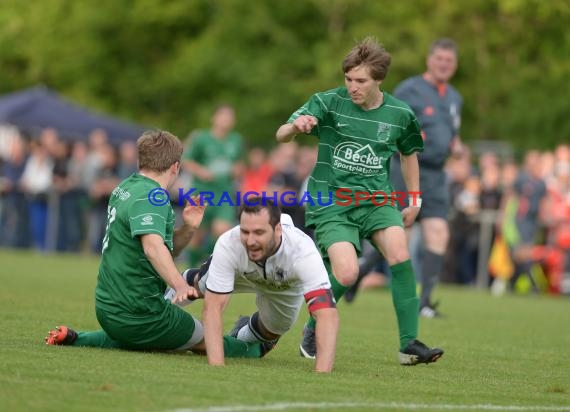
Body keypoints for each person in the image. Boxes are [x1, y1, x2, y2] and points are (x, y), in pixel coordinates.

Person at [275, 37, 443, 365]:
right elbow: (281, 133)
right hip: (331, 201)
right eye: (349, 79)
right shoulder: (328, 102)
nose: (353, 87)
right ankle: (313, 325)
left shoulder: (399, 113)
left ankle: (409, 344)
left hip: (377, 201)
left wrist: (415, 199)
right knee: (348, 272)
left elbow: (409, 155)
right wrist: (295, 127)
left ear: (379, 79)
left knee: (399, 253)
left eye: (361, 81)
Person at [45, 130, 263, 359]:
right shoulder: (151, 197)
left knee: (145, 339)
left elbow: (163, 248)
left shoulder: (126, 187)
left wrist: (188, 227)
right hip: (141, 312)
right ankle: (253, 349)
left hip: (108, 307)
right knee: (205, 337)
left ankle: (77, 338)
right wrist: (180, 285)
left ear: (141, 160)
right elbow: (153, 248)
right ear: (175, 167)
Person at [196, 197, 339, 373]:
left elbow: (326, 314)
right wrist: (217, 366)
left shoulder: (302, 252)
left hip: (285, 285)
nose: (250, 241)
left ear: (277, 229)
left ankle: (241, 333)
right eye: (245, 232)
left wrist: (322, 374)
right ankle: (164, 303)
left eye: (258, 232)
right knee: (198, 285)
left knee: (273, 331)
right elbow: (213, 307)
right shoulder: (230, 242)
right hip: (242, 271)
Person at [389, 38, 464, 317]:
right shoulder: (410, 89)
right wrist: (409, 137)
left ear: (454, 65)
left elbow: (453, 135)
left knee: (438, 233)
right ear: (429, 60)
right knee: (399, 234)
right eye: (440, 59)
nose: (444, 64)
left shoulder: (455, 97)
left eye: (449, 61)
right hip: (406, 168)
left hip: (435, 174)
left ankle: (425, 303)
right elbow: (394, 123)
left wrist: (457, 147)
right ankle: (361, 273)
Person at [183, 104, 244, 266]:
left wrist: (237, 169)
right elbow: (186, 161)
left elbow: (239, 163)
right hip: (202, 191)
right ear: (214, 118)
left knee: (221, 231)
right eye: (223, 116)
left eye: (230, 117)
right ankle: (191, 270)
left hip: (224, 192)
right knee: (197, 234)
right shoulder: (201, 138)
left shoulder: (236, 140)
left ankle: (208, 263)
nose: (226, 120)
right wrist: (201, 170)